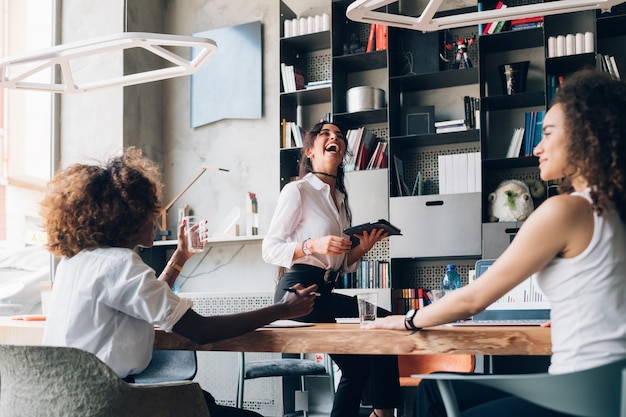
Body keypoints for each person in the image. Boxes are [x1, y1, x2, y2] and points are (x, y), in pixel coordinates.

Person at [365, 68, 626, 417]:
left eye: (548, 134)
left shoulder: (566, 209)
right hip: (609, 392)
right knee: (432, 389)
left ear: (586, 135)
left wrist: (409, 319)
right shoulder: (612, 209)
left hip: (576, 399)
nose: (537, 147)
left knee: (436, 395)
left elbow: (473, 298)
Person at [40, 147, 319, 417]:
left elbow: (147, 299)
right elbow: (202, 330)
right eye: (150, 213)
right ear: (127, 217)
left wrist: (180, 257)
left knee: (204, 400)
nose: (157, 221)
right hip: (111, 403)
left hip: (65, 402)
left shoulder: (74, 263)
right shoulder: (120, 264)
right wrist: (282, 309)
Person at [262, 121, 401, 417]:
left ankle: (380, 412)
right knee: (384, 324)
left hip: (325, 289)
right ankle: (383, 413)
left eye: (338, 135)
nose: (333, 137)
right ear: (310, 151)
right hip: (298, 292)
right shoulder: (297, 190)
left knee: (358, 368)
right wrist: (313, 244)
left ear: (341, 154)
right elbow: (269, 249)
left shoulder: (340, 201)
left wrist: (361, 248)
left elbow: (342, 265)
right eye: (325, 134)